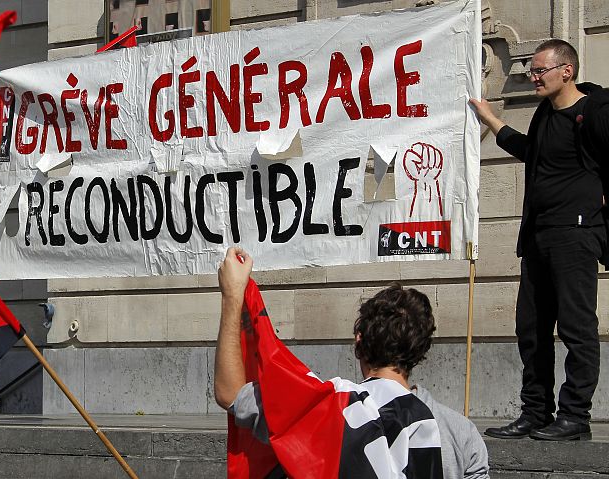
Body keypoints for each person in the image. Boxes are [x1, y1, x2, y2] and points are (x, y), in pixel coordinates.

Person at [215, 247, 469, 478]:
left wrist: (232, 295)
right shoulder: (458, 431)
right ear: (420, 348)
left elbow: (230, 395)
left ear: (359, 339)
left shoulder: (327, 406)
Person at [470, 39, 609, 441]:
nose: (532, 77)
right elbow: (531, 153)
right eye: (531, 70)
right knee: (530, 328)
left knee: (577, 327)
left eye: (539, 70)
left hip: (576, 234)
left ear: (566, 71)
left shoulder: (594, 112)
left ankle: (575, 417)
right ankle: (535, 412)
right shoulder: (545, 115)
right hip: (538, 236)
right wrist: (490, 118)